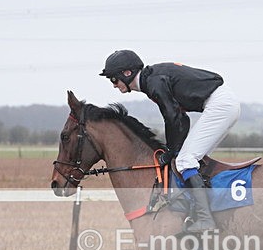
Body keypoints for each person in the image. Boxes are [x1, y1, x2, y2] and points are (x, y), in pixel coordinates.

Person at [100, 49, 240, 233]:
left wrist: (172, 150)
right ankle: (203, 210)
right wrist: (174, 149)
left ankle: (206, 220)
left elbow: (172, 117)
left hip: (219, 105)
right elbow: (181, 118)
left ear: (127, 73)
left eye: (114, 79)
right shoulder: (152, 79)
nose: (114, 85)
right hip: (222, 104)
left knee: (185, 161)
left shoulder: (153, 82)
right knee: (189, 160)